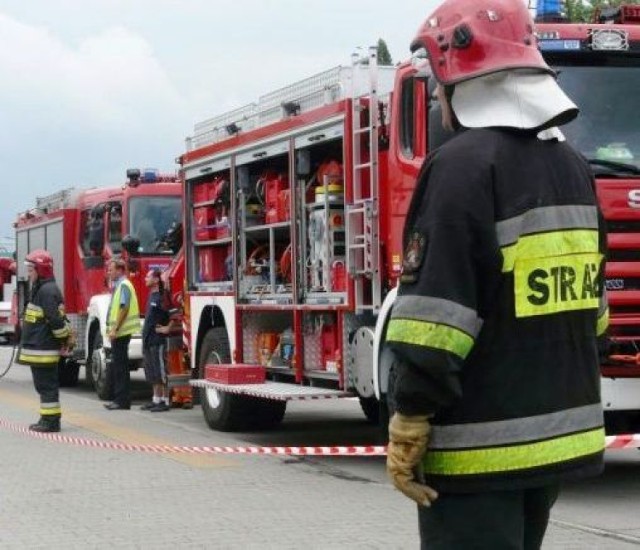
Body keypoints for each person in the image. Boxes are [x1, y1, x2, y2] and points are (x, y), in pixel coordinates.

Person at [384, 1, 608, 548]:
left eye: (439, 85)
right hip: (555, 443)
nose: (437, 101)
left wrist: (410, 415)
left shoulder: (461, 165)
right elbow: (593, 318)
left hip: (476, 451)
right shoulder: (573, 167)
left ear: (462, 80)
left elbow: (435, 322)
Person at [17, 250, 72, 432]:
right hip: (40, 349)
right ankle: (46, 418)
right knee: (43, 387)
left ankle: (51, 422)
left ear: (41, 270)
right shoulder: (42, 288)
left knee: (47, 387)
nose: (29, 274)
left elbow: (56, 320)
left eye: (32, 270)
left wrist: (64, 339)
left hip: (44, 350)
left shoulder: (47, 291)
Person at [104, 257, 140, 411]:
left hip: (120, 333)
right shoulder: (121, 285)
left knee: (120, 368)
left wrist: (115, 329)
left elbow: (123, 308)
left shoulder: (124, 285)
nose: (108, 273)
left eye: (111, 270)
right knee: (119, 367)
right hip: (120, 333)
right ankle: (121, 400)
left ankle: (122, 401)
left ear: (119, 270)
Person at [140, 268, 173, 412]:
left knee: (161, 372)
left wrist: (167, 328)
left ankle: (165, 402)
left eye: (148, 277)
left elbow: (175, 313)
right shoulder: (151, 296)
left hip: (158, 341)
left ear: (156, 280)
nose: (145, 279)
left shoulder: (162, 297)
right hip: (148, 340)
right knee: (152, 371)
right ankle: (156, 399)